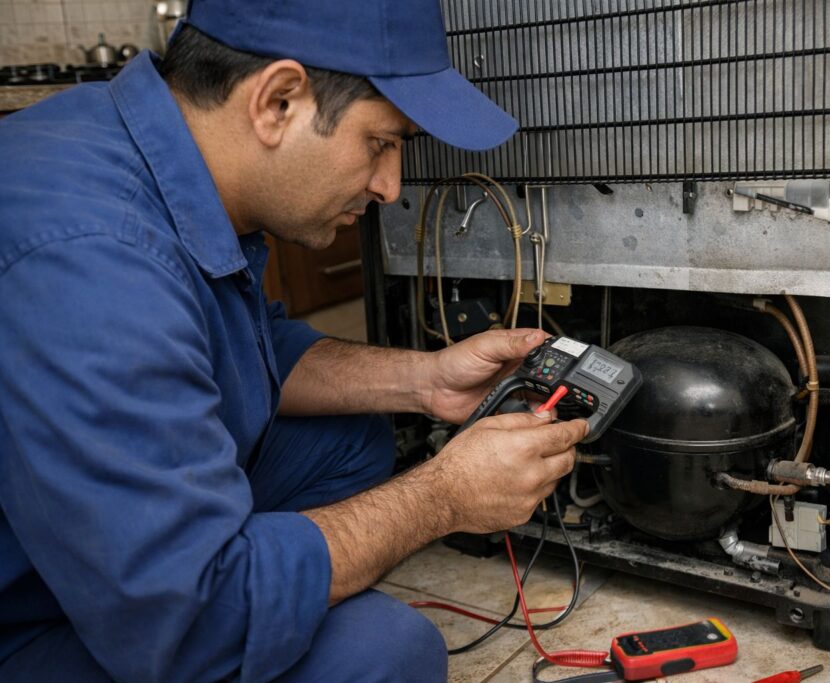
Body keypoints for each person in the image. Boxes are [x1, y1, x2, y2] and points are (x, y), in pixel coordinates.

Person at [0, 1, 588, 680]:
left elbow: (251, 346)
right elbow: (194, 616)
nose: (390, 187)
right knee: (384, 653)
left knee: (351, 438)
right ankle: (237, 576)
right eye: (380, 142)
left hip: (70, 538)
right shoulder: (93, 263)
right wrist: (444, 496)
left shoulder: (148, 145)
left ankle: (246, 567)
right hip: (23, 616)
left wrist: (426, 380)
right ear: (278, 100)